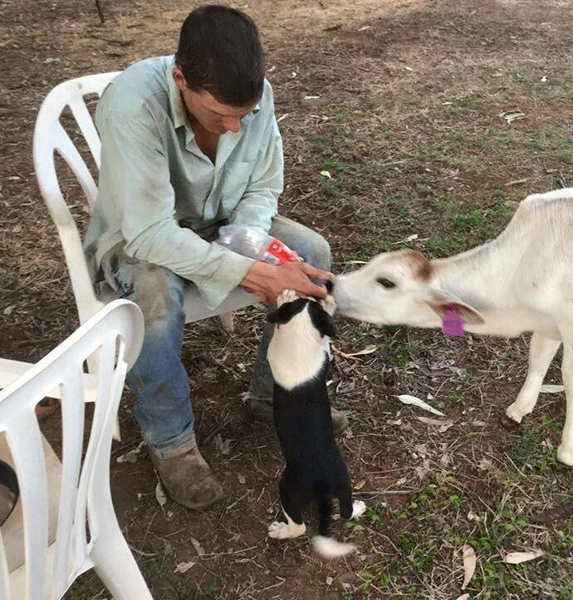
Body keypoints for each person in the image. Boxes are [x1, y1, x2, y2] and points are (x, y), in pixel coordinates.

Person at [84, 5, 348, 510]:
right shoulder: (131, 104)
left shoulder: (256, 97)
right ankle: (171, 439)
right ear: (180, 78)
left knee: (312, 250)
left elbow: (264, 183)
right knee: (155, 294)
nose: (232, 129)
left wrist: (248, 240)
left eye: (243, 117)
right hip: (141, 238)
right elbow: (149, 234)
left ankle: (277, 393)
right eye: (219, 116)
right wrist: (252, 271)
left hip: (220, 223)